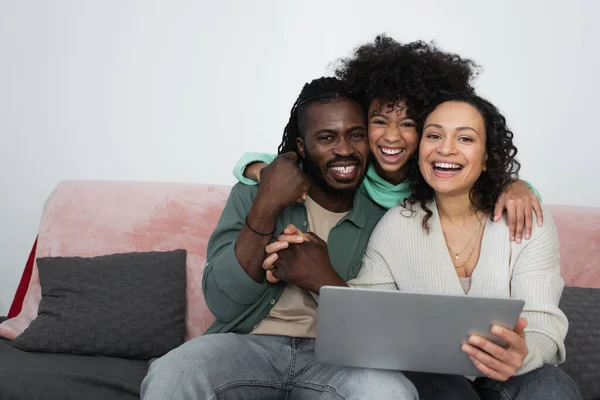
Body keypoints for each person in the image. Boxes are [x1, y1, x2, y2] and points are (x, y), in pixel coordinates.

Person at [281, 92, 579, 399]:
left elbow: (544, 323)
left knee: (551, 385)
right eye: (434, 135)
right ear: (420, 148)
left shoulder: (525, 220)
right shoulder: (395, 226)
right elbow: (368, 316)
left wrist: (522, 354)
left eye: (465, 139)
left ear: (488, 155)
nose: (445, 149)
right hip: (432, 376)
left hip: (510, 374)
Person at [140, 77, 418, 399]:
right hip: (246, 346)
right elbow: (221, 302)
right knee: (173, 372)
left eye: (355, 135)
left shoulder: (386, 214)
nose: (344, 149)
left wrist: (321, 279)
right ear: (301, 147)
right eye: (326, 138)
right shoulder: (253, 192)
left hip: (337, 360)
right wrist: (267, 204)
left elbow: (385, 334)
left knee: (389, 392)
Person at [234, 35, 543, 244]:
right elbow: (247, 162)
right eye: (379, 121)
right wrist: (263, 171)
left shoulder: (437, 176)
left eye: (407, 123)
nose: (391, 136)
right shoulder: (349, 169)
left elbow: (489, 183)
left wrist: (518, 186)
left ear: (426, 129)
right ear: (362, 124)